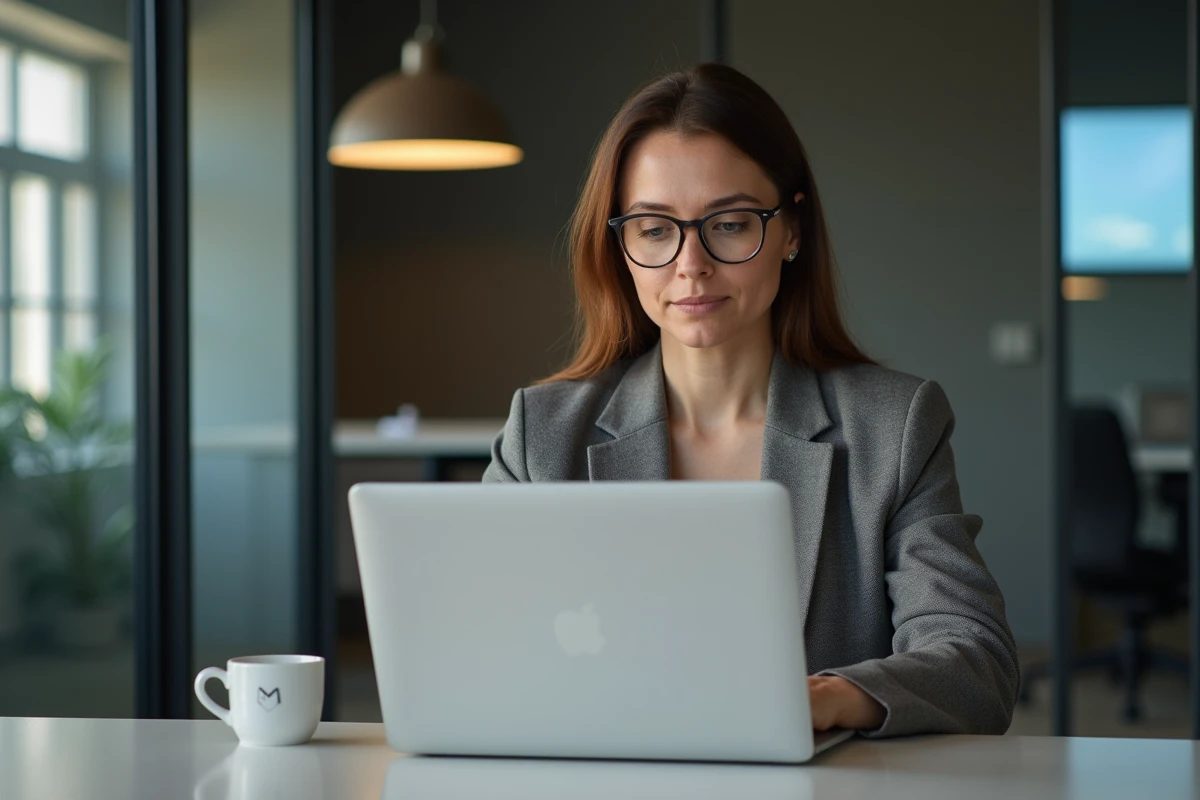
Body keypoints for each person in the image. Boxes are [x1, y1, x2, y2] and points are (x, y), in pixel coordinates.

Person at [482, 63, 1018, 738]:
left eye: (731, 223)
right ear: (619, 245)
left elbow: (975, 660)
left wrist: (824, 698)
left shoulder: (895, 426)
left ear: (792, 229)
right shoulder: (541, 434)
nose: (691, 264)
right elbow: (473, 647)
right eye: (654, 228)